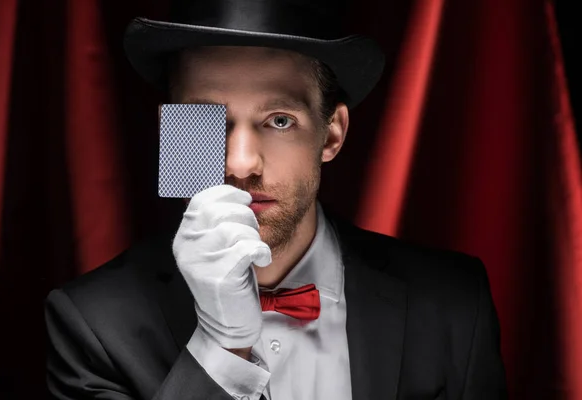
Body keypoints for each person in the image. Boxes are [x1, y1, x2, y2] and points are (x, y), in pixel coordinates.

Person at [44, 0, 507, 399]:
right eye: (207, 117)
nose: (241, 163)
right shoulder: (92, 324)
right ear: (175, 132)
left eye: (279, 120)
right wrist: (221, 348)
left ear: (332, 133)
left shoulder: (453, 306)